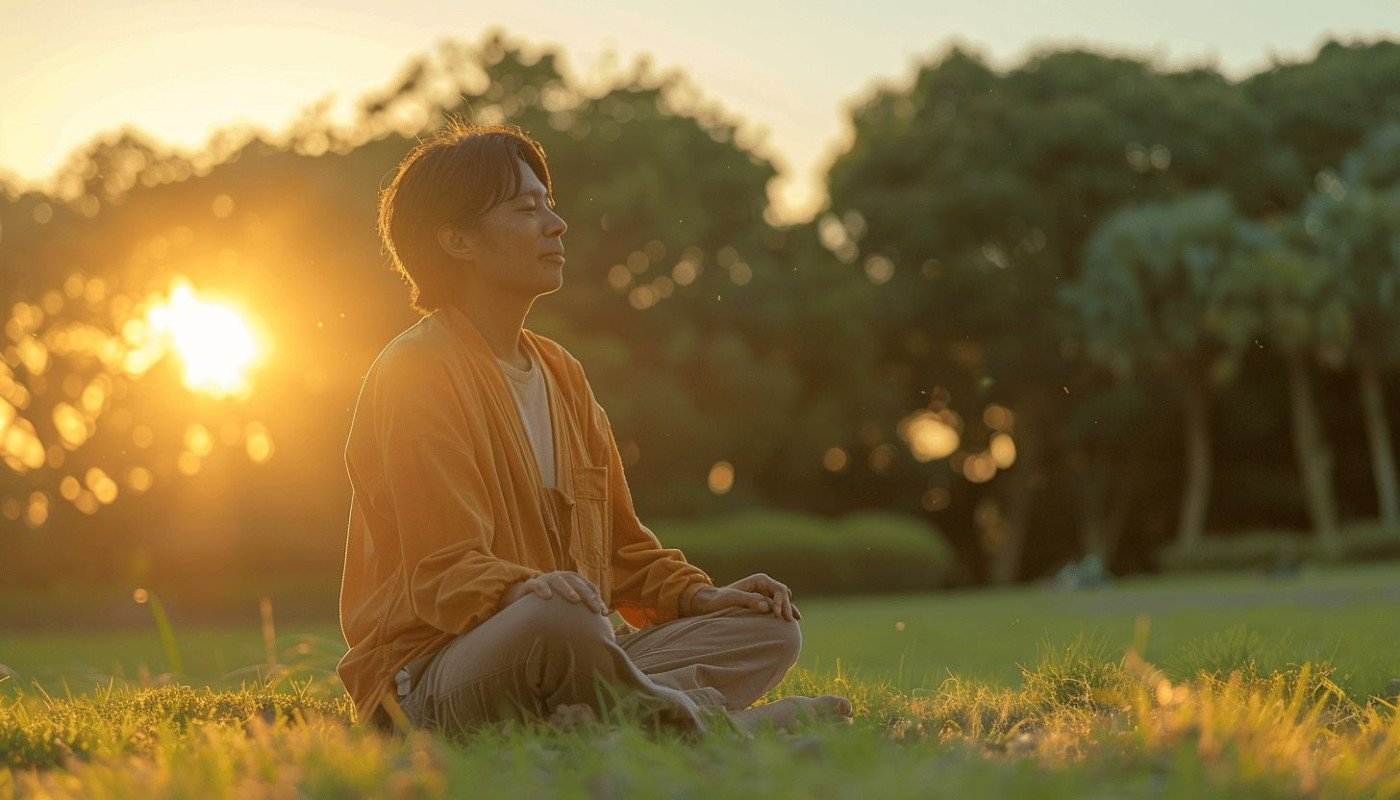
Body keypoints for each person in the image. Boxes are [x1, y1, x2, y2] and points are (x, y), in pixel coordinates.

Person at [336, 120, 852, 738]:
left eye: (549, 206)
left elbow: (619, 551)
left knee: (771, 630)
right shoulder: (416, 371)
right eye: (528, 209)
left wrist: (701, 598)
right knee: (559, 621)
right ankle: (715, 726)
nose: (556, 225)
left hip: (563, 645)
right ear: (457, 240)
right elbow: (444, 575)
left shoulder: (561, 373)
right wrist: (534, 592)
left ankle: (612, 708)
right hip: (426, 679)